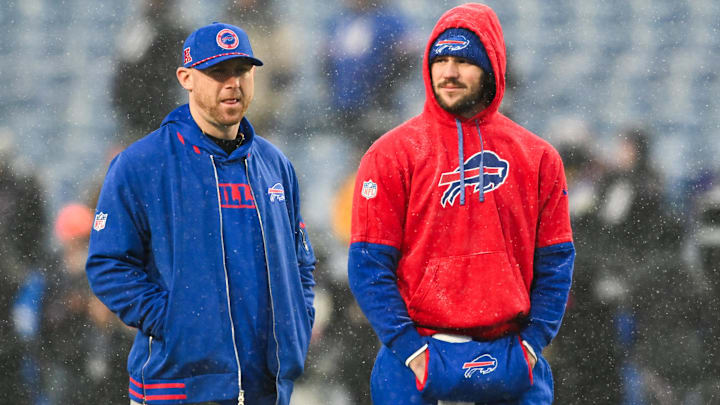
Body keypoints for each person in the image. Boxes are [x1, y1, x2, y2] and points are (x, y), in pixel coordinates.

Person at [347, 4, 574, 404]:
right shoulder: (390, 155)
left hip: (510, 353)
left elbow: (556, 263)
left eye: (464, 61)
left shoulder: (538, 158)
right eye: (441, 60)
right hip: (416, 354)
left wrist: (532, 344)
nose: (449, 72)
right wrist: (410, 349)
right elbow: (368, 265)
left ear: (492, 68)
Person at [86, 22, 317, 405]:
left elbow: (301, 263)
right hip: (176, 389)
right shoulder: (142, 164)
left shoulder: (276, 165)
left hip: (267, 389)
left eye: (242, 71)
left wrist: (298, 323)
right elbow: (109, 265)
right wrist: (176, 324)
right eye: (217, 72)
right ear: (186, 78)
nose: (233, 83)